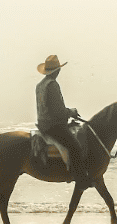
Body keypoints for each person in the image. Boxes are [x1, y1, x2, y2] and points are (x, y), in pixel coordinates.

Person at [35, 55, 90, 188]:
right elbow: (58, 111)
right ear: (57, 71)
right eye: (59, 69)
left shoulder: (40, 85)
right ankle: (81, 180)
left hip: (42, 123)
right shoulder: (53, 85)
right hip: (53, 125)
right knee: (75, 146)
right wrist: (71, 112)